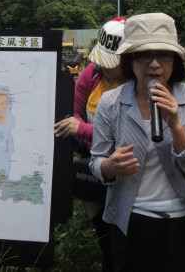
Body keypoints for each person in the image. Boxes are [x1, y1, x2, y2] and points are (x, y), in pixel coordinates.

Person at [89, 13, 185, 272]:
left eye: (164, 55)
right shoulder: (111, 103)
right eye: (144, 55)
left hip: (183, 224)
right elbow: (96, 163)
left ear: (175, 60)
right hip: (130, 221)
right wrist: (109, 167)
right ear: (129, 60)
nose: (155, 65)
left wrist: (176, 125)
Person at [54, 16, 128, 272]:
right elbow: (76, 112)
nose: (104, 65)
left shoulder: (137, 85)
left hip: (125, 173)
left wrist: (83, 130)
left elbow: (129, 136)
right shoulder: (93, 73)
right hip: (93, 166)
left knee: (124, 240)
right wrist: (81, 129)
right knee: (106, 239)